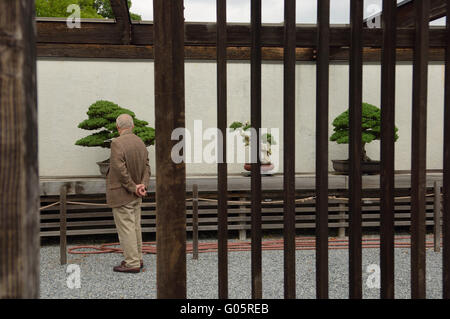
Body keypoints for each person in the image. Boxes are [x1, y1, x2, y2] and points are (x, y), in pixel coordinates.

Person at [106, 113, 150, 273]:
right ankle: (137, 258)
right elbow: (146, 166)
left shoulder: (117, 143)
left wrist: (132, 186)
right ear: (132, 126)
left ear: (118, 128)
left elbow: (119, 169)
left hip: (122, 193)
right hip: (137, 193)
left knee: (127, 229)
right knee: (135, 227)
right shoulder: (140, 142)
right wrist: (142, 186)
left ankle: (132, 263)